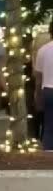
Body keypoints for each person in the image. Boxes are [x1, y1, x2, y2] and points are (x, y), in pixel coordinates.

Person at [34, 20, 53, 150]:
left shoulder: (43, 50)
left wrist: (37, 96)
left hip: (48, 90)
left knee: (49, 126)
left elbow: (38, 78)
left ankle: (48, 154)